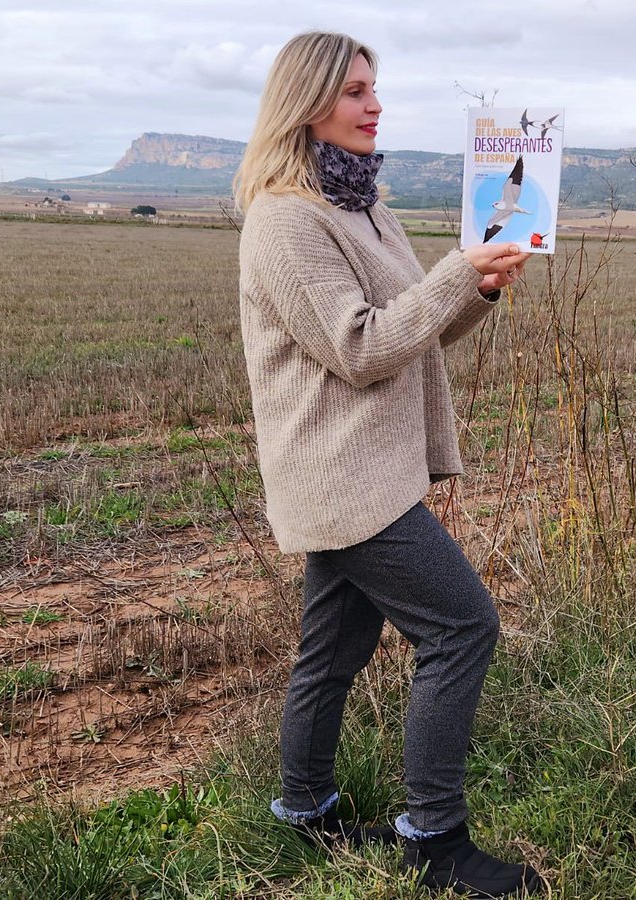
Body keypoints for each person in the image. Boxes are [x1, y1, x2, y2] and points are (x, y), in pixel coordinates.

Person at [233, 29, 542, 899]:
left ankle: (305, 811)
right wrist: (456, 270)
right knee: (462, 627)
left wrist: (477, 289)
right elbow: (360, 347)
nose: (377, 105)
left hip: (364, 469)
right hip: (343, 477)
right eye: (357, 91)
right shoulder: (286, 220)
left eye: (376, 88)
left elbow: (422, 330)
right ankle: (434, 840)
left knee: (334, 650)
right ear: (307, 104)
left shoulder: (364, 205)